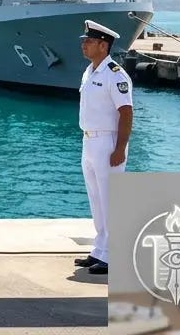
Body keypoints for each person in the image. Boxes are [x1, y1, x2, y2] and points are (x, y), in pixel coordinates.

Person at [73, 20, 132, 276]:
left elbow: (126, 112)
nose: (84, 45)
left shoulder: (115, 73)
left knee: (111, 200)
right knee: (96, 199)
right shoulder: (90, 71)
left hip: (108, 142)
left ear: (102, 44)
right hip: (89, 141)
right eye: (84, 41)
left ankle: (114, 255)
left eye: (88, 41)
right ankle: (99, 250)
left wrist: (120, 148)